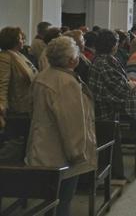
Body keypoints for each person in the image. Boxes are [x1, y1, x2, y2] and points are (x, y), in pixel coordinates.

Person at [26, 36, 96, 216]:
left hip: (41, 146)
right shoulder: (66, 83)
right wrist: (78, 154)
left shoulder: (43, 76)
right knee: (62, 201)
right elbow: (72, 123)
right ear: (72, 59)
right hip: (60, 153)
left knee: (50, 201)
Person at [0, 27, 38, 163]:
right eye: (21, 38)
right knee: (13, 149)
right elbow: (2, 84)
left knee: (21, 148)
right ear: (13, 40)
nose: (23, 40)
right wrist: (2, 108)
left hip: (26, 108)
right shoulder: (5, 57)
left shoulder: (19, 55)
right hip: (15, 109)